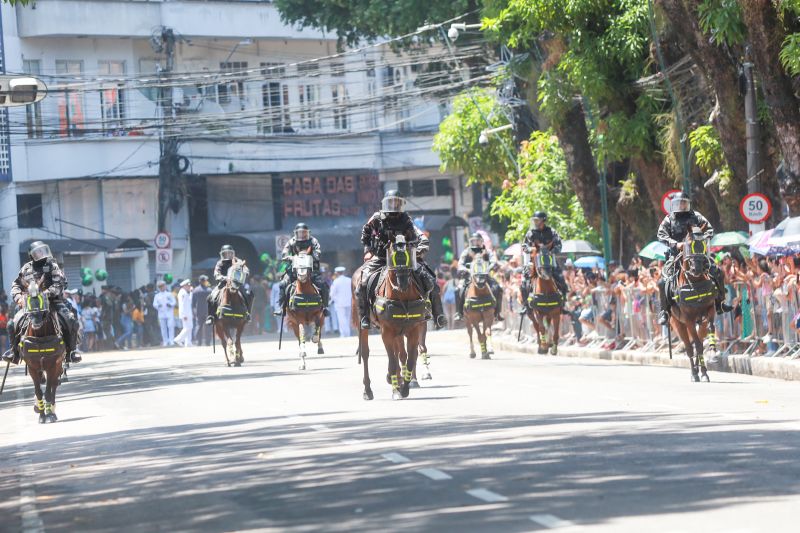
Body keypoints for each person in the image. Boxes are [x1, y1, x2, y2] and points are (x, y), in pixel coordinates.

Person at [356, 190, 435, 330]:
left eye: (397, 202)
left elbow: (415, 237)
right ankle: (365, 317)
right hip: (381, 258)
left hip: (404, 258)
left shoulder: (406, 219)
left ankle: (426, 307)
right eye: (391, 202)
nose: (394, 205)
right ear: (385, 203)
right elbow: (365, 234)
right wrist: (368, 251)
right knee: (362, 284)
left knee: (428, 279)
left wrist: (414, 250)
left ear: (401, 203)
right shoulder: (376, 218)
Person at [656, 192, 732, 325]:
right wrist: (676, 244)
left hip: (697, 253)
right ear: (673, 205)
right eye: (678, 203)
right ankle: (665, 311)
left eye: (683, 203)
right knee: (662, 282)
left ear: (688, 203)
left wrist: (700, 238)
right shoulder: (669, 219)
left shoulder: (696, 216)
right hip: (676, 254)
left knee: (718, 272)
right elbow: (661, 234)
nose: (681, 206)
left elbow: (709, 229)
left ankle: (720, 303)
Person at [2, 241, 82, 365]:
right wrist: (18, 297)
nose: (40, 254)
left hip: (53, 301)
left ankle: (72, 351)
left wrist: (45, 294)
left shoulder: (52, 265)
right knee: (11, 324)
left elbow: (59, 283)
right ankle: (14, 353)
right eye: (37, 252)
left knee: (71, 319)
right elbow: (16, 285)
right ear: (31, 255)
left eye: (42, 250)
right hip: (30, 303)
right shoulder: (26, 268)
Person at [274, 223, 330, 317]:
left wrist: (312, 256)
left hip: (311, 270)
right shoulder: (291, 242)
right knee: (283, 284)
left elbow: (317, 252)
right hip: (294, 270)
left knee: (323, 285)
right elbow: (284, 253)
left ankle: (324, 307)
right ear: (296, 233)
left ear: (308, 233)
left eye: (304, 233)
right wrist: (289, 257)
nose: (302, 235)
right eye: (300, 233)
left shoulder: (313, 241)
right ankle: (282, 308)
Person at [520, 211, 569, 310]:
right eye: (534, 220)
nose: (535, 222)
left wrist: (552, 251)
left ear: (543, 221)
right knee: (524, 282)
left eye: (537, 220)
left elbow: (559, 245)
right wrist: (529, 249)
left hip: (550, 261)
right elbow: (524, 246)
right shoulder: (530, 233)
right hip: (534, 261)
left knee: (561, 279)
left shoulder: (552, 232)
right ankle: (526, 306)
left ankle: (562, 303)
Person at [454, 232, 503, 322]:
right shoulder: (466, 252)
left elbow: (493, 261)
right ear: (470, 242)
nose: (476, 243)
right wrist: (466, 270)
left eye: (478, 241)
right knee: (458, 290)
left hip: (485, 276)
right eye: (474, 241)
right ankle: (459, 313)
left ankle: (497, 312)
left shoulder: (487, 251)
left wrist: (489, 268)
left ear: (481, 242)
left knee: (498, 288)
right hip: (469, 277)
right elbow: (460, 264)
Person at [206, 245, 253, 324]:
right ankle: (211, 316)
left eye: (229, 253)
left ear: (233, 253)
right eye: (225, 254)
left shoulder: (238, 261)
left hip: (236, 283)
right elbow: (216, 274)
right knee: (210, 297)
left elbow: (246, 269)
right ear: (222, 254)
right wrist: (225, 278)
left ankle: (247, 313)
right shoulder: (219, 263)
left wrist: (245, 272)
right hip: (223, 284)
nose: (228, 255)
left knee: (249, 294)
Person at [417, 235, 447, 329]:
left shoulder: (409, 225)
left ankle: (438, 315)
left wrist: (418, 250)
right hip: (388, 261)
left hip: (413, 260)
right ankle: (370, 314)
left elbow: (424, 240)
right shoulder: (381, 224)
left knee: (432, 284)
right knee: (371, 278)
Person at [330, 266, 352, 337]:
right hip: (349, 302)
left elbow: (331, 294)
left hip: (339, 303)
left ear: (336, 273)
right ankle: (347, 333)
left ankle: (344, 333)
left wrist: (334, 299)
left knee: (341, 319)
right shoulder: (349, 280)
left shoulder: (336, 281)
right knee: (347, 318)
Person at [153, 280, 176, 346]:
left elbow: (174, 302)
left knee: (170, 326)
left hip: (169, 312)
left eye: (163, 286)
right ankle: (165, 341)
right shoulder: (157, 295)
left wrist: (170, 304)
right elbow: (154, 304)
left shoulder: (169, 294)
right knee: (163, 328)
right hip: (161, 313)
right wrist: (158, 306)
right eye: (160, 286)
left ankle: (171, 340)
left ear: (165, 286)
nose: (162, 287)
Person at [192, 275, 212, 346]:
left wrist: (193, 311)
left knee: (198, 327)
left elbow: (193, 303)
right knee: (208, 327)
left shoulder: (195, 290)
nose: (206, 282)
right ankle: (208, 342)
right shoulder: (209, 290)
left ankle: (198, 342)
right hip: (208, 311)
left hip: (199, 311)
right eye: (205, 280)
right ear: (203, 281)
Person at [174, 279, 194, 347]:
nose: (189, 287)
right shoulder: (182, 293)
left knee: (189, 327)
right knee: (187, 328)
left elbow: (189, 301)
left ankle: (188, 342)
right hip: (185, 314)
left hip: (188, 313)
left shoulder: (185, 292)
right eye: (188, 286)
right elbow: (182, 305)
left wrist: (191, 292)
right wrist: (183, 315)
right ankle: (178, 339)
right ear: (184, 286)